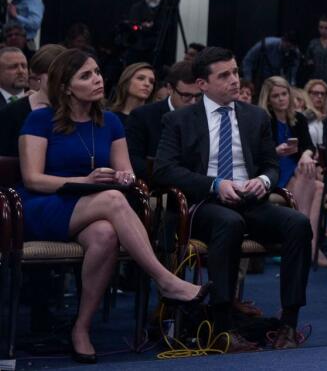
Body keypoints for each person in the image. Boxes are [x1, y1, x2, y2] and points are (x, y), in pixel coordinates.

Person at [17, 49, 207, 361]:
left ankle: (82, 327)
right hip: (43, 204)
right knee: (113, 201)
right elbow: (33, 178)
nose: (97, 79)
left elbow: (129, 174)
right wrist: (87, 182)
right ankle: (165, 280)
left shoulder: (111, 122)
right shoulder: (40, 119)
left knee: (105, 233)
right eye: (86, 76)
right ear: (65, 87)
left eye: (97, 72)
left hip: (93, 205)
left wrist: (120, 177)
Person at [154, 47, 312, 349]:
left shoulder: (255, 117)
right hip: (204, 204)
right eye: (224, 75)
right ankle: (224, 326)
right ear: (202, 84)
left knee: (298, 223)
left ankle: (288, 323)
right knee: (229, 222)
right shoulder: (180, 120)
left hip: (250, 199)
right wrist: (215, 184)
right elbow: (164, 170)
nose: (234, 80)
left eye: (236, 72)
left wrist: (263, 181)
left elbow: (271, 164)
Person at [259, 76, 327, 268]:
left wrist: (306, 154)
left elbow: (308, 146)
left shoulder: (299, 119)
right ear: (268, 99)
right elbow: (257, 153)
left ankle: (305, 243)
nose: (281, 99)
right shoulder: (263, 120)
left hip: (297, 169)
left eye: (284, 94)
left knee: (317, 183)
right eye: (276, 96)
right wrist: (276, 151)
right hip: (274, 172)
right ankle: (306, 242)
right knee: (313, 180)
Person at [125, 61, 201, 183]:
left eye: (198, 96)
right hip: (157, 186)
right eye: (186, 96)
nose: (193, 102)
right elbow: (132, 160)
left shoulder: (204, 116)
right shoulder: (143, 116)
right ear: (170, 89)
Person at [0, 44, 65, 157]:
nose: (21, 71)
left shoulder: (78, 108)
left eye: (24, 66)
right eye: (13, 67)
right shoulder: (10, 112)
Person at [302, 79, 327, 150]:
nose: (320, 96)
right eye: (315, 93)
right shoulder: (302, 117)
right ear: (307, 94)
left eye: (323, 94)